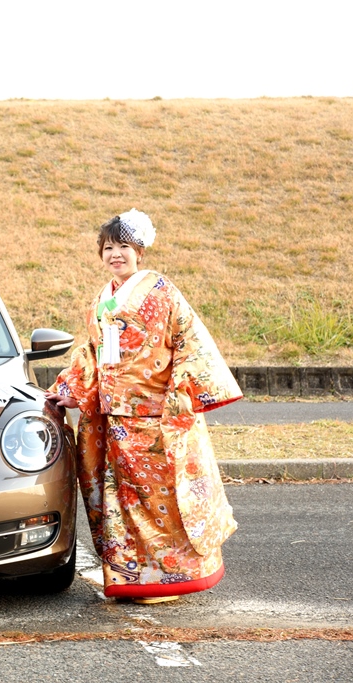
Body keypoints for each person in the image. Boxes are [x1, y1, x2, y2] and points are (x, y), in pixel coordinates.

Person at [45, 209, 241, 604]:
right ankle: (132, 578)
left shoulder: (162, 292)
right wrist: (75, 389)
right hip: (113, 418)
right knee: (121, 500)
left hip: (154, 416)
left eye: (124, 247)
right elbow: (92, 352)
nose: (115, 254)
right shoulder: (103, 297)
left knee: (160, 499)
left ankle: (170, 579)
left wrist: (180, 395)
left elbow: (190, 342)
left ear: (140, 251)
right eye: (108, 248)